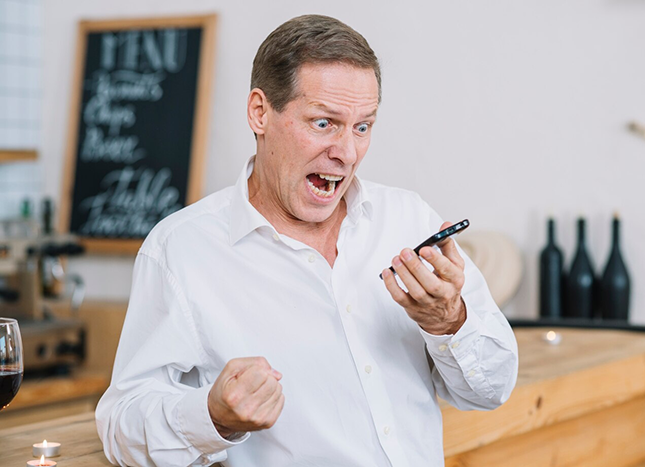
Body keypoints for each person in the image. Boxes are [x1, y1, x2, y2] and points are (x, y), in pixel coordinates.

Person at [96, 14, 518, 467]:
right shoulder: (180, 250)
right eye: (323, 123)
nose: (347, 152)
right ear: (260, 112)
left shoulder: (408, 217)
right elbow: (121, 423)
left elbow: (491, 391)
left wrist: (450, 321)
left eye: (362, 126)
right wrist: (212, 417)